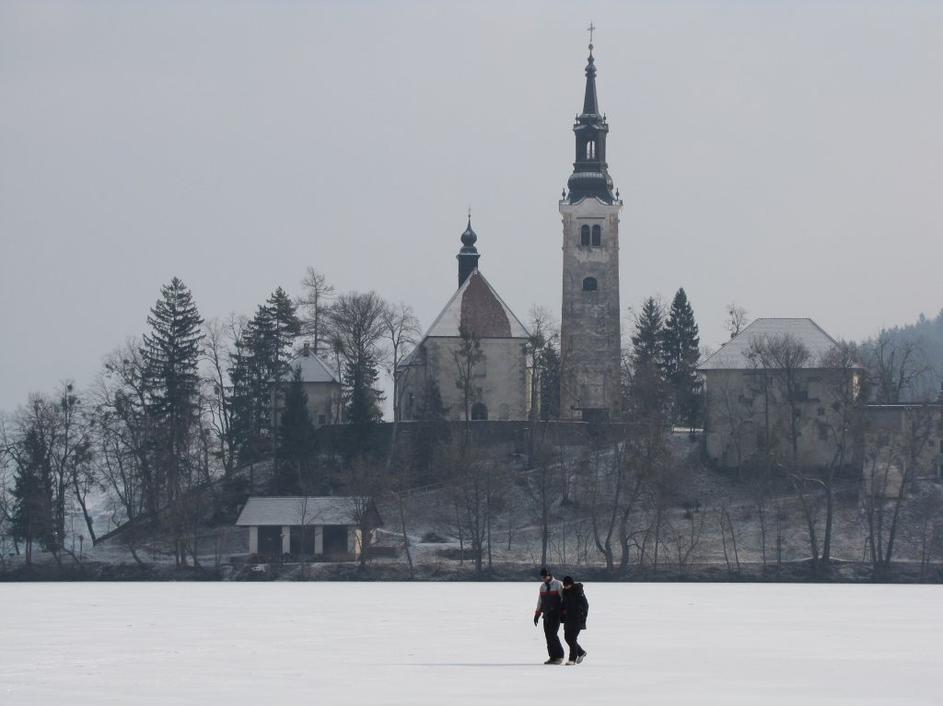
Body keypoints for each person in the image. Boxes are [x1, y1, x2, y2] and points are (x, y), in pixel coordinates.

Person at [533, 567, 565, 664]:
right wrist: (537, 614)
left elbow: (563, 599)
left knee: (553, 635)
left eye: (545, 577)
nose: (543, 578)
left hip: (556, 614)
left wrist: (563, 612)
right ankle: (552, 657)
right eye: (542, 577)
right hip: (546, 615)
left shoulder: (558, 584)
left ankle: (559, 656)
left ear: (549, 575)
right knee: (548, 636)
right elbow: (540, 601)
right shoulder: (542, 586)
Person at [561, 575, 588, 665]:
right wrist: (563, 613)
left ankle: (572, 659)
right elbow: (564, 604)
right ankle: (581, 652)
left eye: (567, 585)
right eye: (564, 585)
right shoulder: (564, 591)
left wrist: (583, 617)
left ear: (571, 584)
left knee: (572, 638)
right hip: (568, 618)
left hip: (577, 618)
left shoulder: (578, 590)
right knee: (567, 637)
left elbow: (585, 605)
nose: (565, 586)